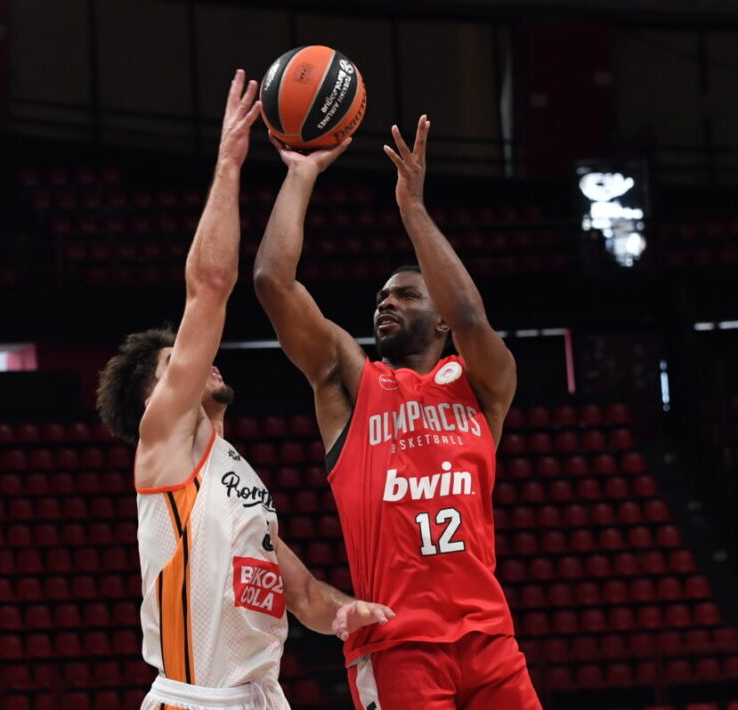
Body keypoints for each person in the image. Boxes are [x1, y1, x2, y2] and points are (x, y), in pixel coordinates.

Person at [96, 69, 394, 710]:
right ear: (154, 399)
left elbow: (305, 595)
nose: (203, 361)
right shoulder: (163, 446)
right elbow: (209, 287)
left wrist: (347, 613)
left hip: (261, 697)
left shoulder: (237, 478)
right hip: (194, 700)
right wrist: (230, 161)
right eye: (178, 362)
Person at [254, 116, 541, 709]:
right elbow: (272, 281)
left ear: (440, 322)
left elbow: (469, 314)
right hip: (397, 643)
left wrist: (413, 209)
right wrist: (301, 175)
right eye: (381, 296)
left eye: (407, 295)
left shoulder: (483, 386)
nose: (386, 302)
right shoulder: (351, 382)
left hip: (490, 640)